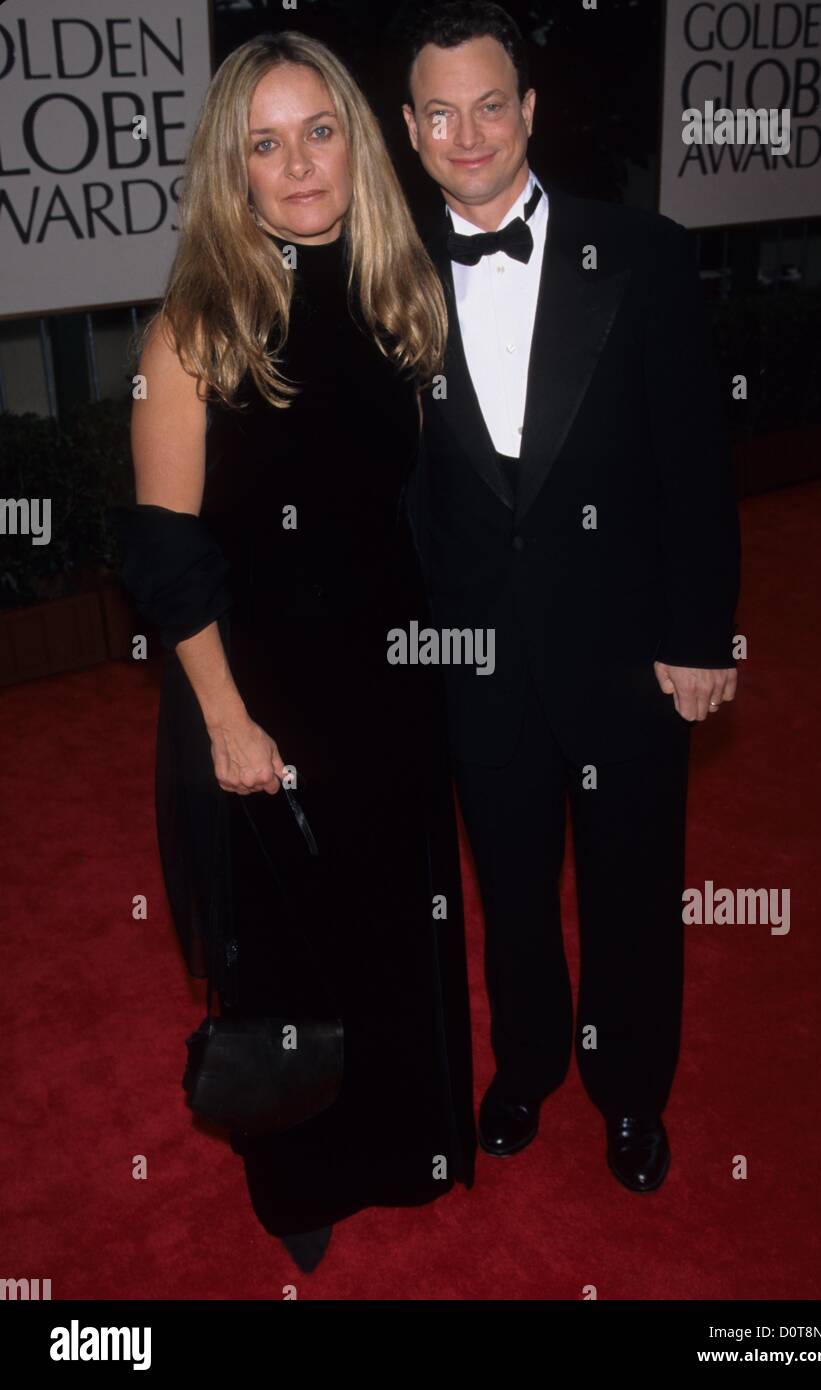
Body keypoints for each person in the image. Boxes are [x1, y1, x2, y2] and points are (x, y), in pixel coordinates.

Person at [111, 30, 476, 1274]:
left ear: (355, 144)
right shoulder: (194, 332)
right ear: (234, 169)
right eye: (265, 143)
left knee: (394, 920)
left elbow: (419, 509)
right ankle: (303, 1171)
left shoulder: (396, 293)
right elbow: (167, 559)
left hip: (391, 684)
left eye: (319, 130)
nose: (299, 162)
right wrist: (225, 720)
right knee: (289, 951)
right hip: (258, 696)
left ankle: (401, 1142)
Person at [401, 2, 740, 1191]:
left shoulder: (639, 250)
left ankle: (633, 1092)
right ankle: (528, 1063)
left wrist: (702, 633)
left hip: (626, 648)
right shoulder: (383, 279)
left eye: (490, 104)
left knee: (634, 885)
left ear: (530, 110)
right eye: (439, 112)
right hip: (474, 658)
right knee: (508, 885)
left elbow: (696, 461)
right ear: (409, 127)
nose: (469, 132)